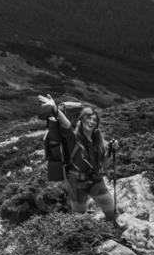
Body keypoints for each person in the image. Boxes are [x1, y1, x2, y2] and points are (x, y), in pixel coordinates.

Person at [38, 94, 119, 224]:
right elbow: (66, 125)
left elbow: (103, 163)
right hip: (76, 182)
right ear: (81, 121)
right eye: (89, 119)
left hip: (96, 179)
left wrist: (112, 150)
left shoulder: (99, 141)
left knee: (110, 210)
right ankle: (80, 238)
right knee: (79, 217)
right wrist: (55, 108)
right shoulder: (72, 138)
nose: (92, 122)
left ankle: (112, 233)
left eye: (95, 120)